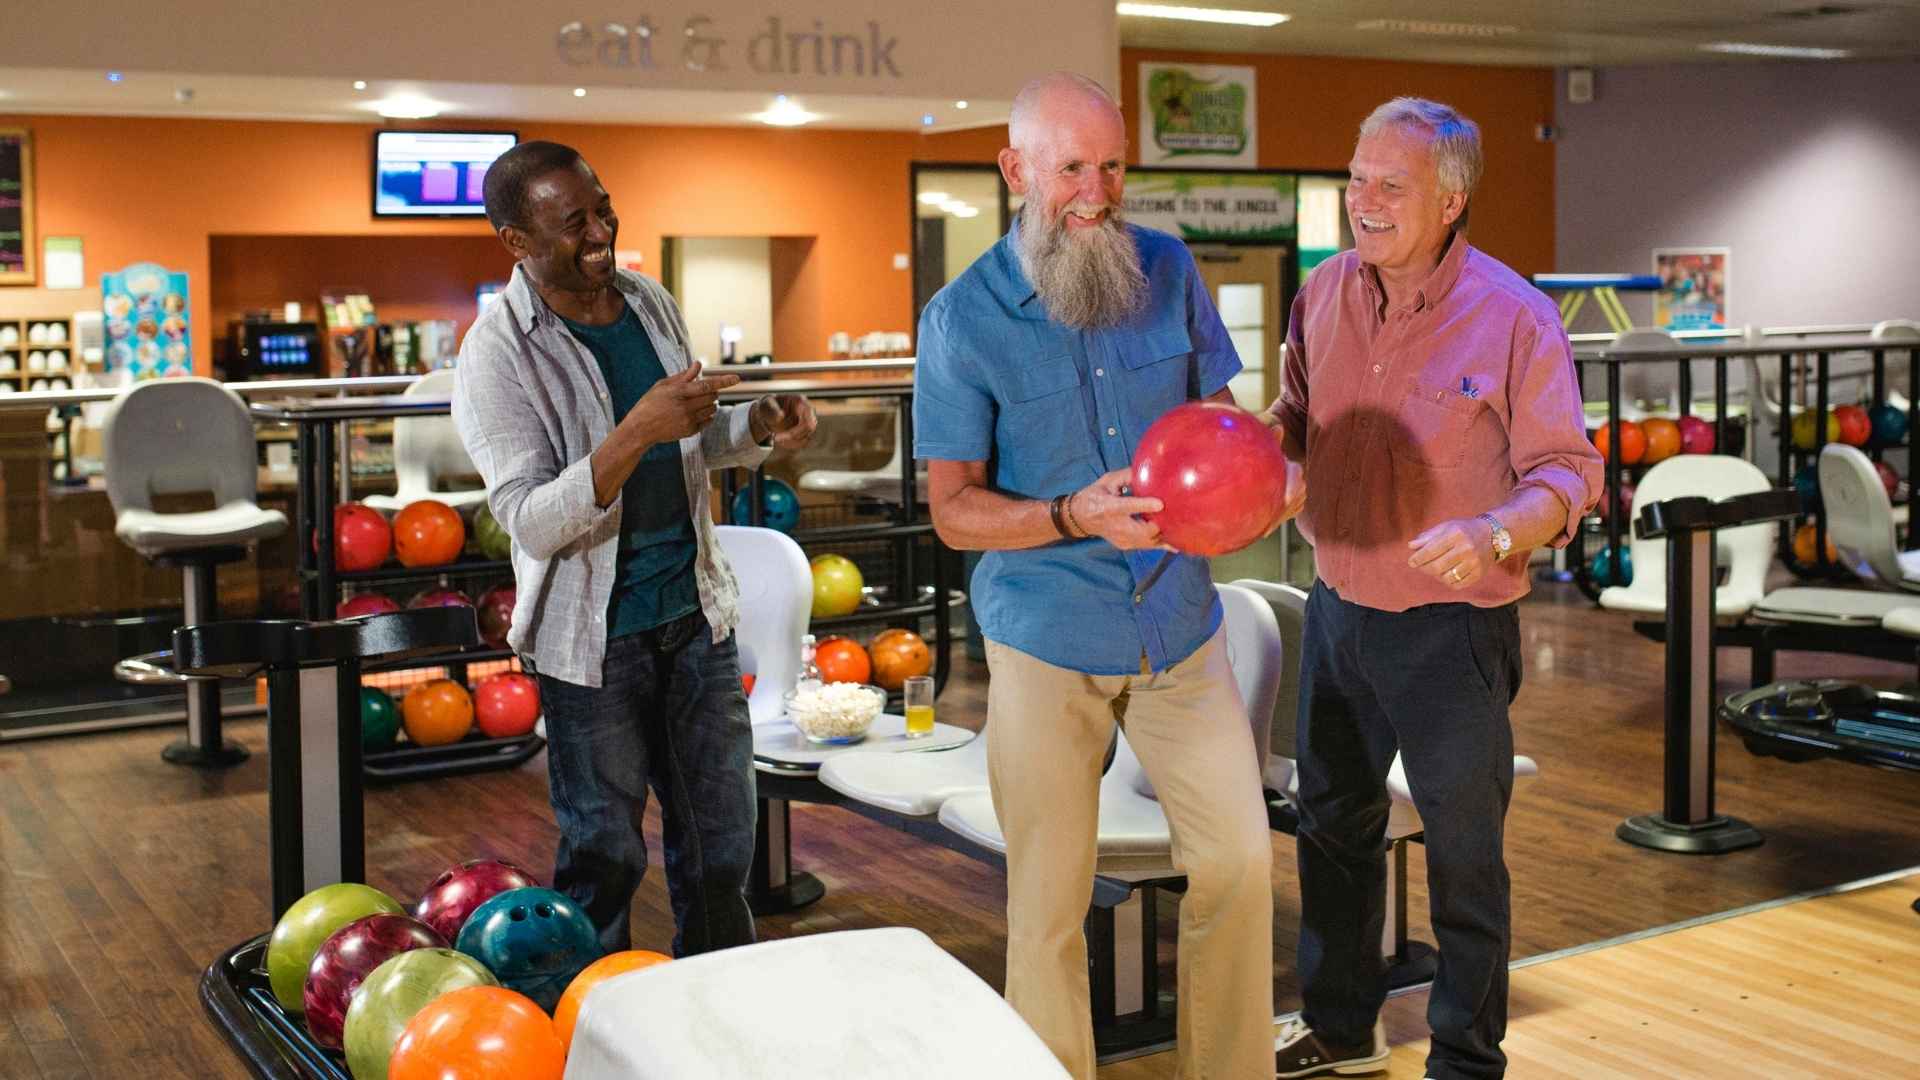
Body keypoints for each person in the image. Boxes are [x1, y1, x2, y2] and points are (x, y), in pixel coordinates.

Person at [915, 73, 1303, 1080]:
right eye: (1071, 168)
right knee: (1047, 903)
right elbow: (952, 510)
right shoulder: (963, 321)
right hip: (1045, 635)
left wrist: (1265, 481)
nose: (1097, 189)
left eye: (1113, 165)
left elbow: (1222, 423)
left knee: (1238, 862)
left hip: (1178, 626)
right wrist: (1065, 515)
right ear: (1016, 171)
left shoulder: (1168, 271)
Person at [1264, 99, 1602, 1080]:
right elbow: (1295, 413)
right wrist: (1277, 461)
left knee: (1462, 860)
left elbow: (1569, 473)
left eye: (1389, 186)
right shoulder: (1322, 294)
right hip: (1336, 614)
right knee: (1331, 832)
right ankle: (1336, 1025)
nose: (1360, 202)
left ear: (1450, 201)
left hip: (1454, 632)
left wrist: (1495, 528)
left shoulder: (1514, 316)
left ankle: (1463, 1058)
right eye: (1355, 179)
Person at [453, 140, 817, 958]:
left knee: (723, 847)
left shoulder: (648, 302)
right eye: (573, 221)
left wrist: (754, 427)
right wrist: (636, 430)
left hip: (694, 616)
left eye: (603, 207)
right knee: (604, 858)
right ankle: (597, 1027)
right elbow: (530, 518)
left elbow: (684, 441)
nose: (600, 231)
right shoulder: (496, 351)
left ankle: (715, 1016)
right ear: (515, 241)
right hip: (592, 645)